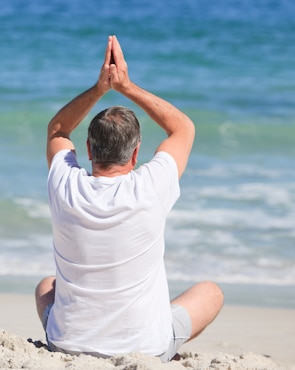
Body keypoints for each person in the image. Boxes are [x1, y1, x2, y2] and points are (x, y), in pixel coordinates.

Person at [35, 35, 223, 362]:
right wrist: (126, 86)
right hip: (146, 350)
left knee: (45, 287)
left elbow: (58, 130)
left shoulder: (64, 183)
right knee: (211, 293)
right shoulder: (150, 186)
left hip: (67, 345)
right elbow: (183, 129)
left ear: (89, 150)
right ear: (136, 154)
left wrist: (99, 88)